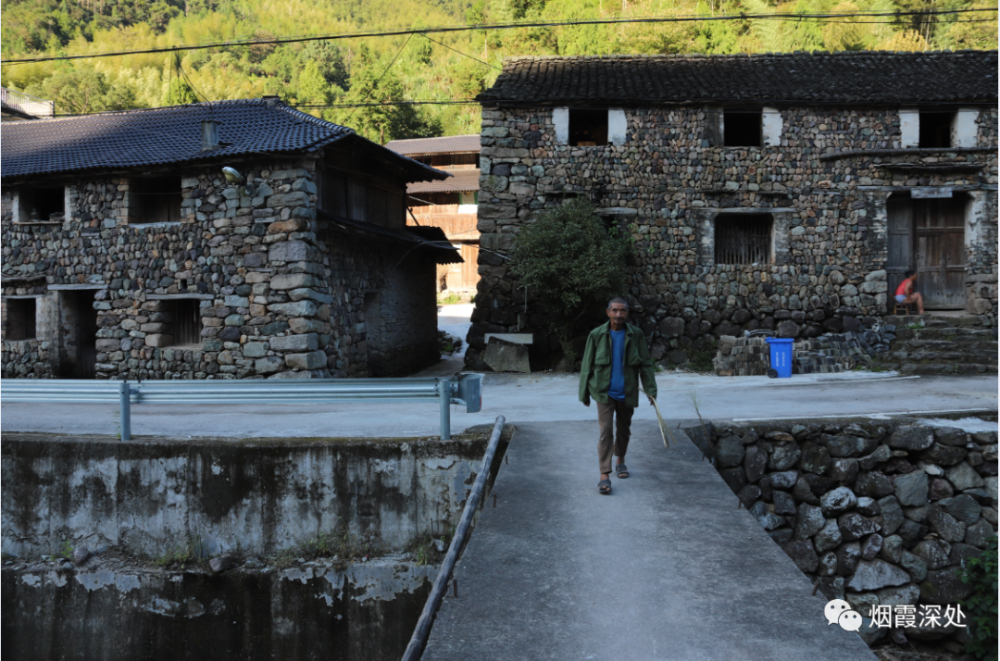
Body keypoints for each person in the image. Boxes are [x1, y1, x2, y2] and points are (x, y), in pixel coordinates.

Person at [579, 297, 658, 495]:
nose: (618, 314)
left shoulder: (636, 335)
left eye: (622, 311)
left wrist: (651, 390)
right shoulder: (596, 335)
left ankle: (620, 459)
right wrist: (584, 394)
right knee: (606, 431)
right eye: (615, 310)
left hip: (627, 391)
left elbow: (646, 364)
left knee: (624, 429)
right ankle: (604, 474)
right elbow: (587, 365)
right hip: (603, 392)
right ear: (608, 312)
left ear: (627, 313)